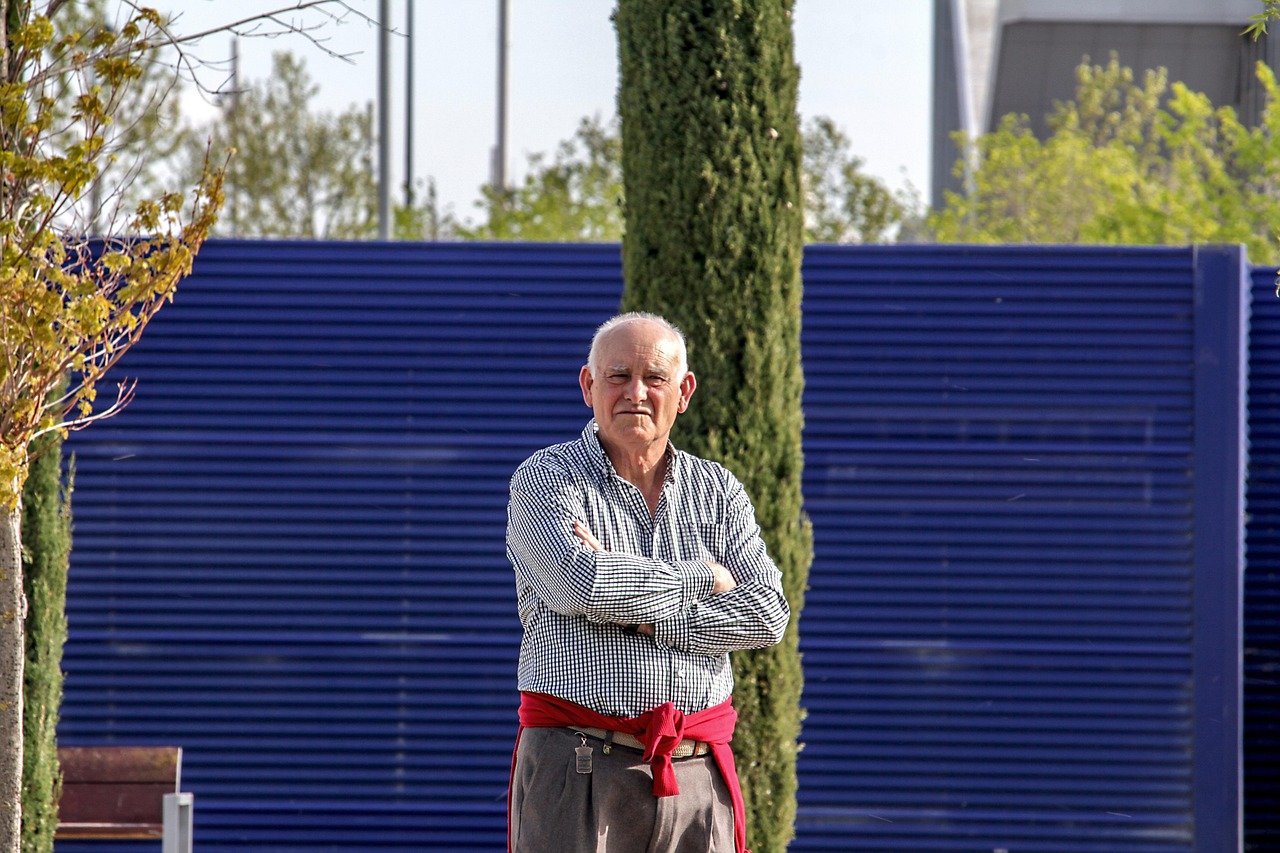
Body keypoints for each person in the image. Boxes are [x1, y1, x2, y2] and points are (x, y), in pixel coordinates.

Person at [506, 311, 790, 853]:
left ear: (683, 393)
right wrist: (704, 577)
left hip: (696, 776)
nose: (635, 392)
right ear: (588, 385)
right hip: (578, 767)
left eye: (654, 378)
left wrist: (634, 605)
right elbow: (578, 583)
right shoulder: (545, 478)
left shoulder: (718, 489)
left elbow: (767, 614)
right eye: (618, 376)